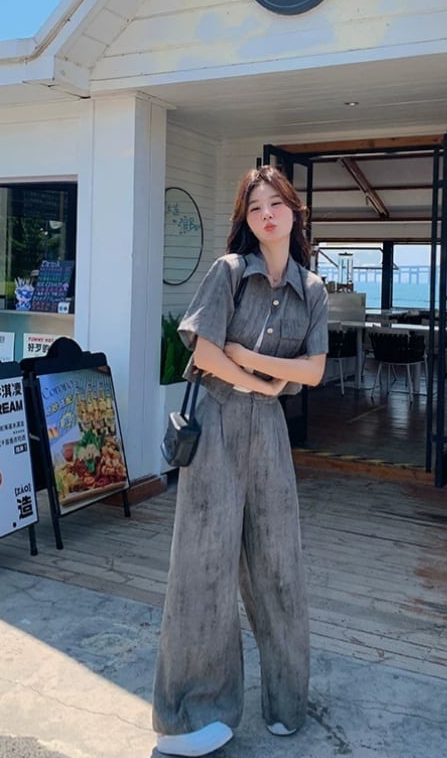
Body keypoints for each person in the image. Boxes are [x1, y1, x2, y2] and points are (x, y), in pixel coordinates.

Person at [152, 165, 329, 756]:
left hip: (270, 434)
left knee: (280, 566)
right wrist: (265, 381)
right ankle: (195, 711)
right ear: (246, 220)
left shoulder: (313, 290)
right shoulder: (228, 272)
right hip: (219, 425)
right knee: (203, 565)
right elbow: (205, 353)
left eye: (276, 203)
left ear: (294, 211)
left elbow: (314, 370)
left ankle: (286, 698)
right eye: (255, 207)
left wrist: (252, 363)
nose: (267, 214)